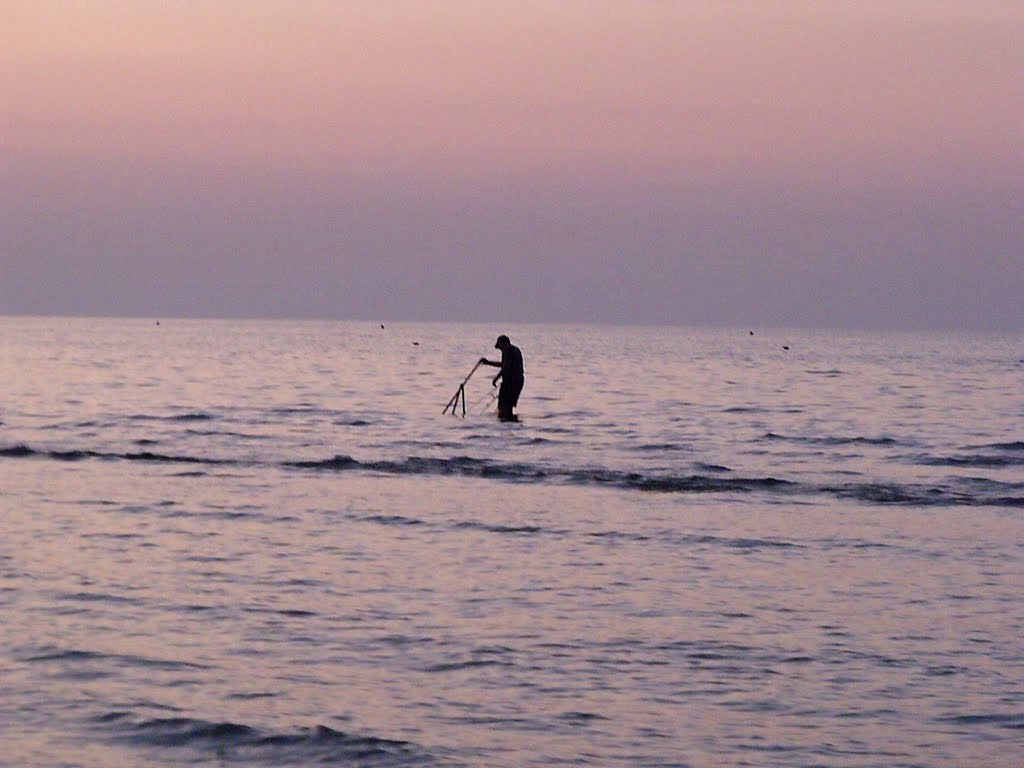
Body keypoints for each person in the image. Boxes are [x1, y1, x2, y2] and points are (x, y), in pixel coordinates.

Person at [480, 335, 524, 422]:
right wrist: (488, 362)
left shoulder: (507, 350)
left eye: (499, 343)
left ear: (503, 343)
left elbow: (506, 366)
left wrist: (496, 378)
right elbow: (504, 364)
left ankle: (505, 422)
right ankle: (510, 421)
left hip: (510, 382)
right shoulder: (515, 349)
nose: (498, 346)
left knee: (503, 406)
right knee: (509, 406)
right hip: (519, 381)